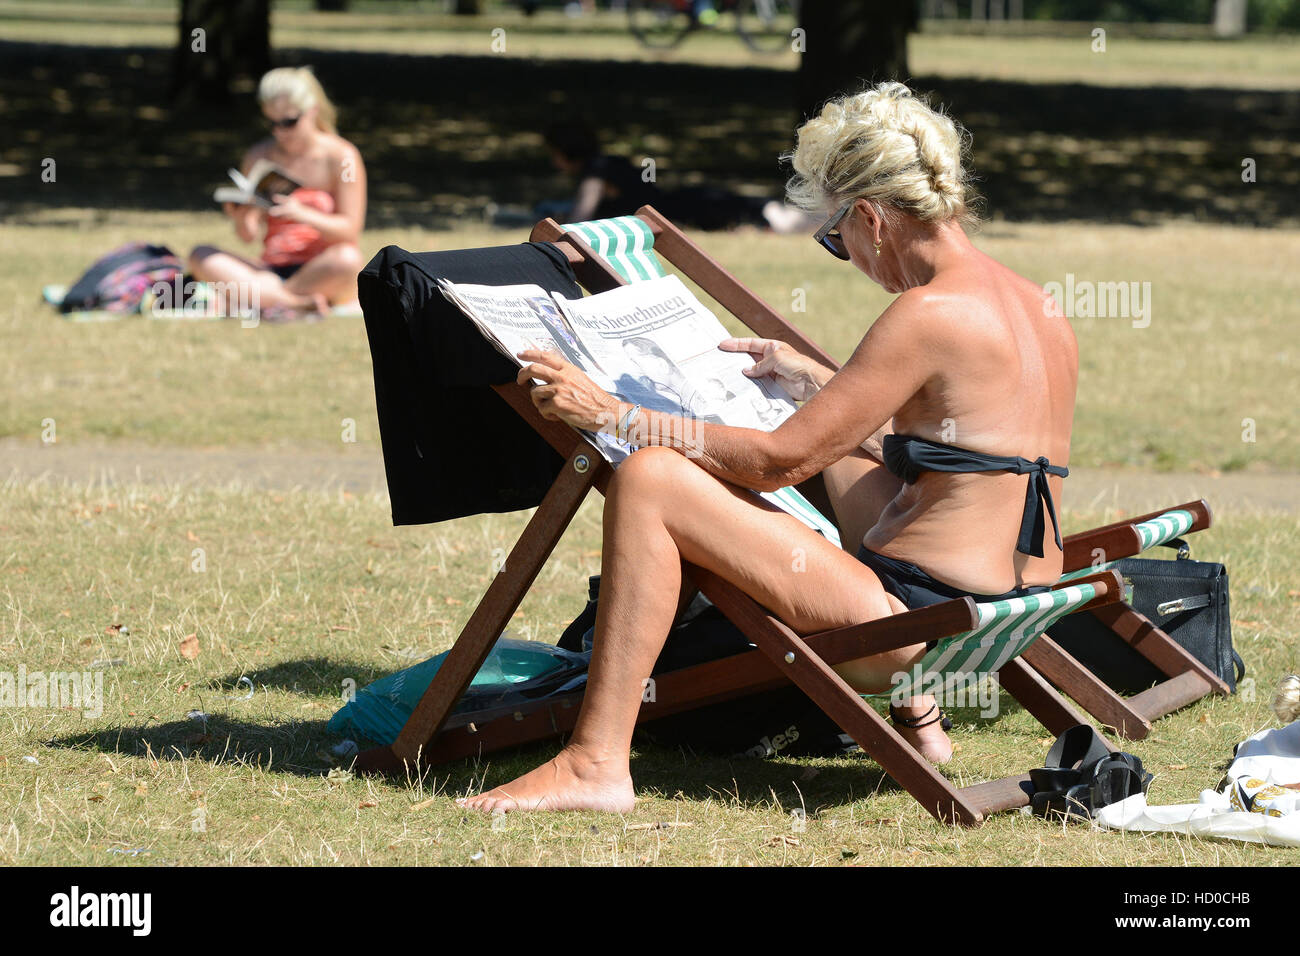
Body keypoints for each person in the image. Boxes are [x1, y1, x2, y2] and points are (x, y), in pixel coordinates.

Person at [460, 81, 1078, 813]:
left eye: (835, 236)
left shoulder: (927, 313)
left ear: (873, 217)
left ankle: (596, 763)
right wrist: (822, 385)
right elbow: (962, 452)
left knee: (653, 479)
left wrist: (614, 413)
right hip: (1008, 608)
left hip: (913, 629)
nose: (843, 254)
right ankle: (924, 724)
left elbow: (780, 462)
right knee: (836, 438)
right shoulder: (1033, 300)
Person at [188, 67, 367, 318]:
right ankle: (291, 302)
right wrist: (241, 214)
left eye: (289, 122)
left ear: (313, 110)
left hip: (323, 266)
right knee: (200, 255)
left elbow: (350, 230)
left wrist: (302, 214)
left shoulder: (343, 157)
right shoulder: (258, 156)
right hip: (270, 270)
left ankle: (258, 300)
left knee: (348, 259)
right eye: (272, 123)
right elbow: (247, 236)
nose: (280, 132)